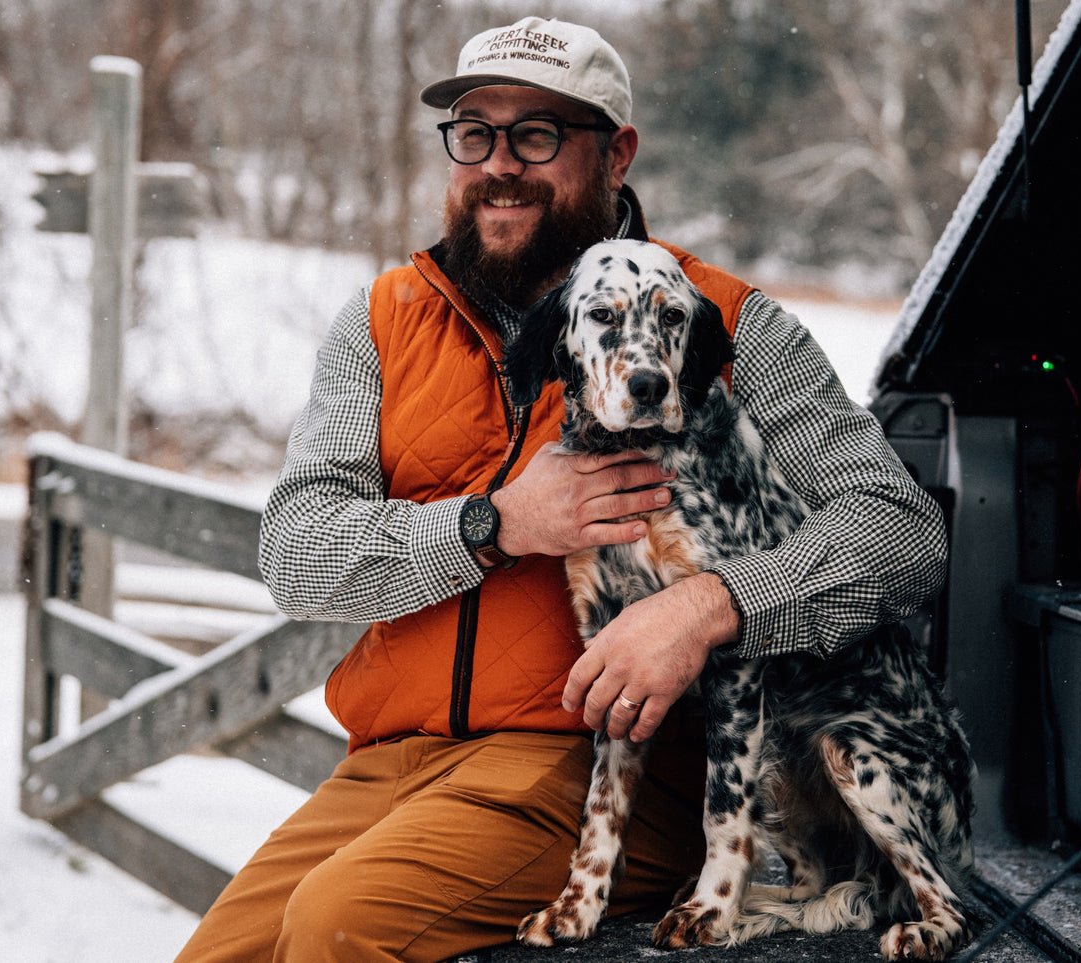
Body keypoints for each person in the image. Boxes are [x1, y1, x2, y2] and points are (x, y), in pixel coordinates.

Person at [174, 15, 948, 963]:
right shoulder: (381, 319)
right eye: (474, 132)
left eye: (536, 135)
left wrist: (717, 605)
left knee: (339, 927)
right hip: (389, 758)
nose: (499, 164)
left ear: (615, 153)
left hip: (596, 766)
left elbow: (899, 529)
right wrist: (493, 525)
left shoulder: (724, 323)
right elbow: (296, 556)